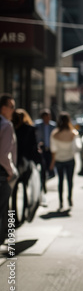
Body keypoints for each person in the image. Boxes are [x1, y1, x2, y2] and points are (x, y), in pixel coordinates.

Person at [50, 112, 81, 211]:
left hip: (59, 160)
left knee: (60, 181)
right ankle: (69, 198)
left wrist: (52, 162)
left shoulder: (55, 134)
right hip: (70, 159)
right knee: (70, 181)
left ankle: (61, 201)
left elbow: (53, 149)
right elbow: (77, 147)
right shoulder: (73, 133)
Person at [12, 109, 43, 204]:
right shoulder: (30, 128)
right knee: (26, 186)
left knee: (14, 191)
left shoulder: (11, 128)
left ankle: (12, 218)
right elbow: (33, 146)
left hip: (14, 161)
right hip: (26, 161)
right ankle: (25, 208)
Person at [0, 94, 17, 245]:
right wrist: (10, 171)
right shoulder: (6, 125)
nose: (13, 110)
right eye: (12, 107)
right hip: (2, 173)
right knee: (3, 210)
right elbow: (4, 154)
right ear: (4, 108)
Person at [35, 108, 56, 192]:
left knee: (50, 169)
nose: (48, 118)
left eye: (49, 116)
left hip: (50, 150)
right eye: (46, 116)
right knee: (43, 168)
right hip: (42, 150)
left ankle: (44, 180)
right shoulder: (37, 125)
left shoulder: (53, 126)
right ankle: (42, 184)